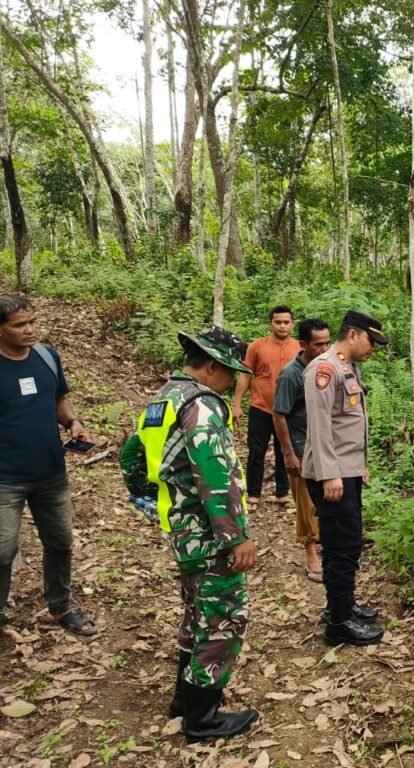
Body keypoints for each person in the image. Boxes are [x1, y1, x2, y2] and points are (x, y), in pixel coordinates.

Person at [120, 326, 259, 742]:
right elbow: (216, 476)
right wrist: (236, 537)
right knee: (223, 617)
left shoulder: (163, 398)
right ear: (212, 366)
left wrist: (154, 496)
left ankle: (184, 700)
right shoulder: (203, 405)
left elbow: (132, 456)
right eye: (230, 373)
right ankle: (203, 719)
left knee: (197, 611)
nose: (233, 381)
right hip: (207, 531)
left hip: (181, 527)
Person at [0, 293, 97, 637]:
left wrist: (72, 423)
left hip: (51, 473)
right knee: (3, 549)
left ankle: (61, 605)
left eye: (32, 322)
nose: (30, 330)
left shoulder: (46, 357)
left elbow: (59, 399)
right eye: (19, 325)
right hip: (5, 479)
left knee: (59, 542)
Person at [303, 310, 388, 646]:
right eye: (371, 341)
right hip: (332, 475)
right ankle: (338, 623)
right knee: (342, 547)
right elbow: (321, 427)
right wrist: (331, 476)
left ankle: (342, 604)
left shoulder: (347, 366)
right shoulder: (324, 368)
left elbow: (348, 424)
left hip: (346, 470)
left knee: (347, 544)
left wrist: (358, 465)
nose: (374, 349)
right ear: (353, 334)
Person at [272, 318, 331, 582]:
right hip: (300, 446)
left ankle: (329, 545)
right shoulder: (290, 374)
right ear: (303, 344)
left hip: (326, 447)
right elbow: (279, 415)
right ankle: (311, 553)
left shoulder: (327, 368)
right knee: (306, 504)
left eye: (328, 342)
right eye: (318, 344)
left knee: (328, 499)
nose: (324, 348)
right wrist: (288, 453)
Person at [232, 305, 301, 508]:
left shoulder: (300, 348)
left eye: (286, 322)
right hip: (261, 407)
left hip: (289, 410)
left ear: (292, 324)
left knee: (285, 451)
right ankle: (253, 494)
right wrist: (237, 404)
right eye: (278, 322)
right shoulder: (256, 346)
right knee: (256, 451)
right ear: (270, 323)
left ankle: (283, 493)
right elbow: (245, 375)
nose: (282, 326)